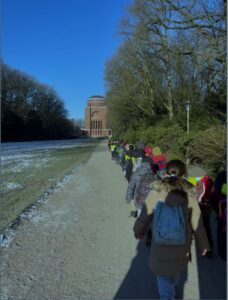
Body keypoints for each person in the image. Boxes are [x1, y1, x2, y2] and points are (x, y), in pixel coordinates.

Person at [133, 159, 210, 300]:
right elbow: (197, 223)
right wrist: (203, 245)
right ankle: (170, 288)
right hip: (182, 242)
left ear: (166, 172)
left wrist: (138, 231)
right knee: (175, 269)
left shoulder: (156, 191)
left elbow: (144, 216)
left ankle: (167, 295)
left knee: (163, 274)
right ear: (183, 174)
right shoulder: (189, 194)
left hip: (160, 240)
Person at [187, 158, 214, 256]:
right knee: (205, 226)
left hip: (191, 205)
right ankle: (208, 248)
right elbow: (212, 193)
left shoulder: (188, 177)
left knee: (189, 226)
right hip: (205, 206)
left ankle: (187, 249)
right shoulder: (207, 178)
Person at [210, 170, 227, 261]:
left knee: (222, 238)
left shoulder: (222, 175)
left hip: (223, 216)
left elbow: (213, 197)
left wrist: (218, 212)